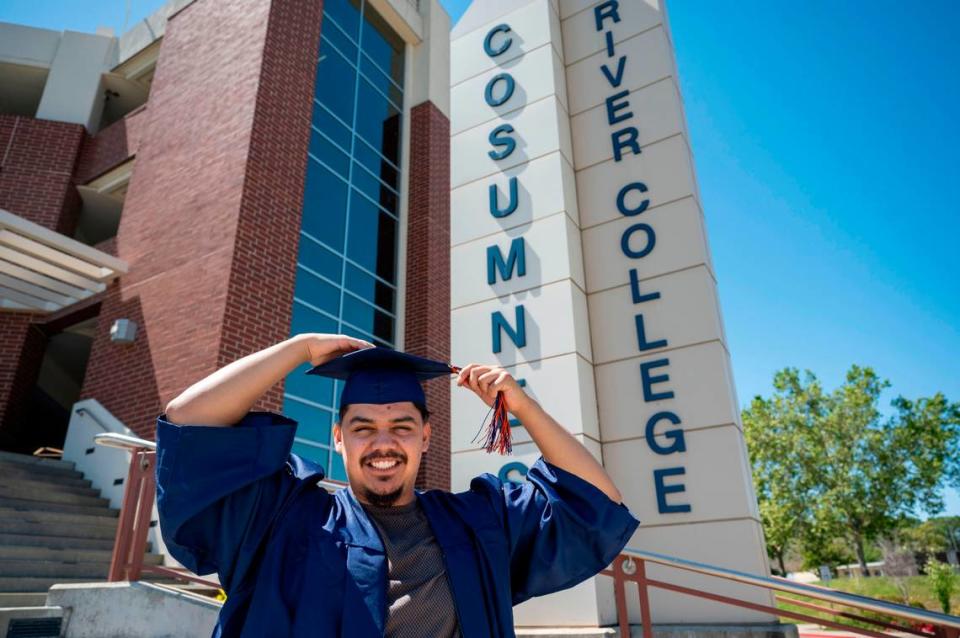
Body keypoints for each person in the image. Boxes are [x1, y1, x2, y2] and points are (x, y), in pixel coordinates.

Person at [156, 333, 639, 638]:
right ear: (339, 439)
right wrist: (296, 349)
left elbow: (594, 501)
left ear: (426, 438)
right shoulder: (278, 519)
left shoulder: (477, 523)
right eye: (363, 427)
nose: (383, 443)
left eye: (402, 427)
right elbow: (187, 423)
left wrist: (524, 408)